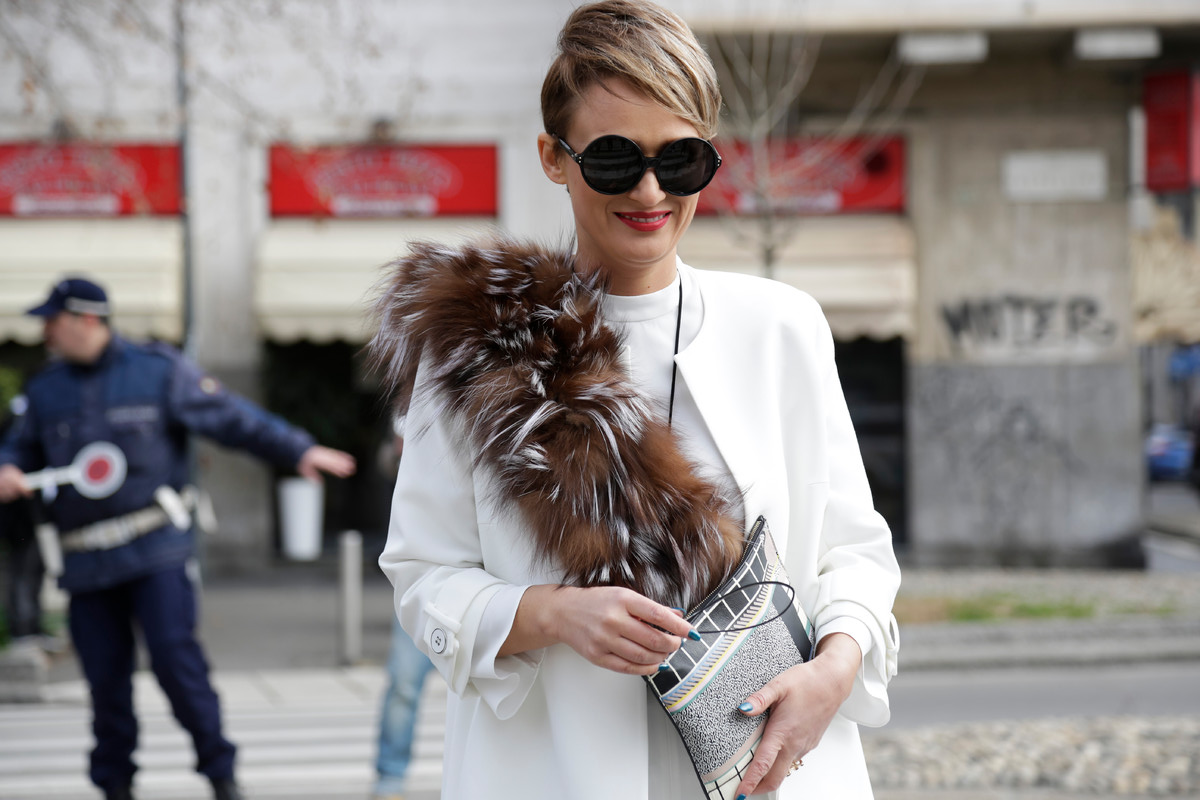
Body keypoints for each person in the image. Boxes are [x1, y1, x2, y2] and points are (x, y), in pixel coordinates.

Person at [371, 2, 901, 799]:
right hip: (554, 772)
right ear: (554, 158)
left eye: (680, 160)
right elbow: (423, 577)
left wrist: (834, 668)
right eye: (615, 159)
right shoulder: (481, 345)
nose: (650, 191)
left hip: (767, 770)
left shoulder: (781, 329)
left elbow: (853, 553)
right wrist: (554, 614)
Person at [0, 277, 357, 800]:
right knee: (105, 683)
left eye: (53, 321)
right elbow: (19, 449)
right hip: (86, 563)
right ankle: (115, 787)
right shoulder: (45, 389)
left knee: (176, 664)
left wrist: (297, 449)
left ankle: (221, 777)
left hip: (155, 552)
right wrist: (8, 468)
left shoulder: (157, 371)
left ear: (86, 320)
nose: (45, 332)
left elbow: (231, 417)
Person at [371, 426, 434, 800]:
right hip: (427, 575)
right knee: (404, 681)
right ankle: (390, 777)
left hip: (491, 572)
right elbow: (389, 467)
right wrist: (401, 448)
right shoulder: (416, 401)